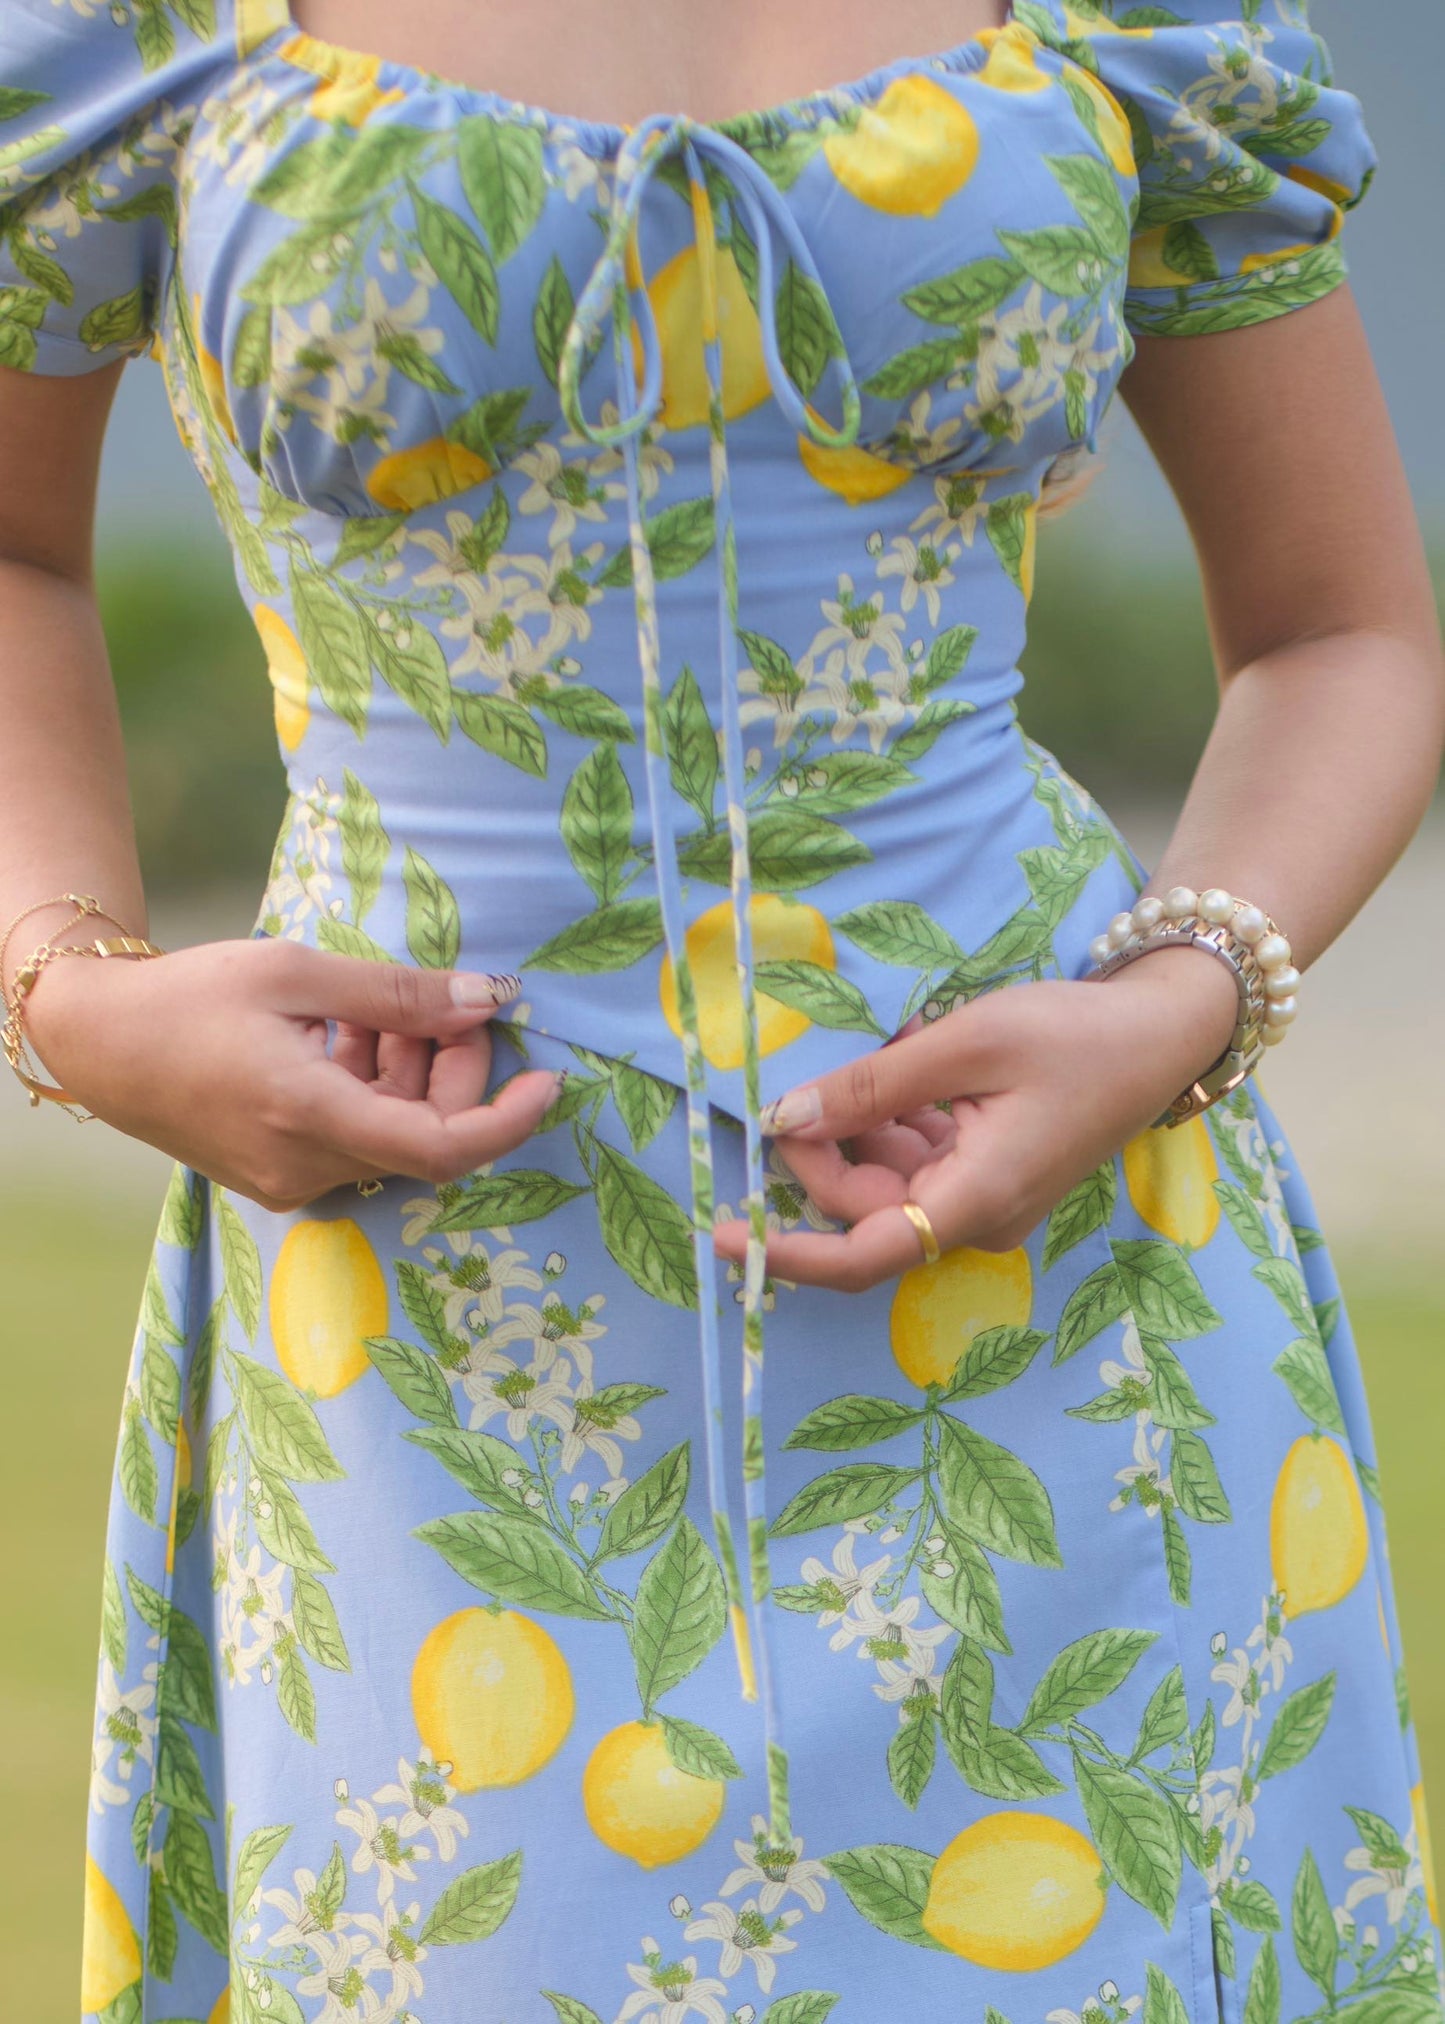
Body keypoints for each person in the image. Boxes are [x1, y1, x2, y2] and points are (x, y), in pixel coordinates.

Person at [2, 0, 1441, 2018]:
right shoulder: (128, 32)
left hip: (1053, 1285)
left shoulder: (1134, 27)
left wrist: (1170, 1009)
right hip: (429, 1346)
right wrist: (70, 991)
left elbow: (1341, 629)